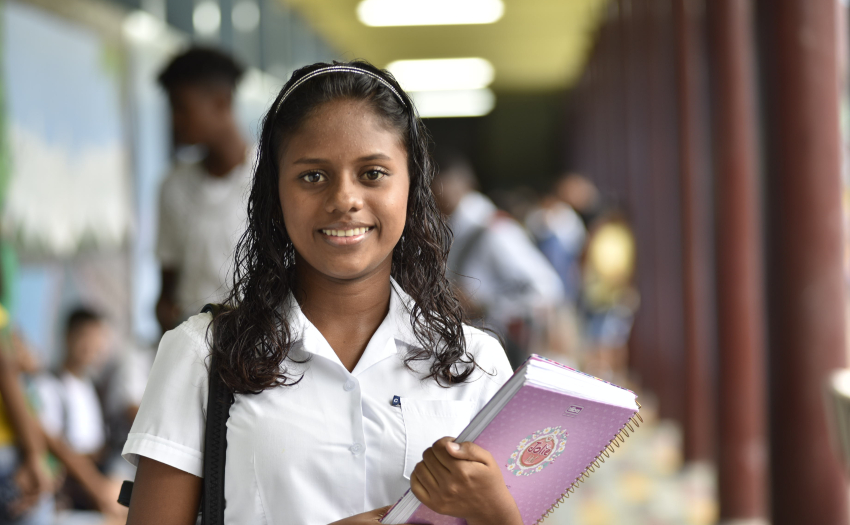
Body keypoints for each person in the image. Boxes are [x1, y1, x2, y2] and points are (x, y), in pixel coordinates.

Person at [123, 61, 521, 525]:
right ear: (275, 192)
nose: (344, 199)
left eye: (373, 173)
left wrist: (501, 515)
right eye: (313, 176)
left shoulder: (477, 363)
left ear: (411, 185)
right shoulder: (202, 354)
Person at [431, 152, 565, 366]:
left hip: (499, 358)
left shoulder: (495, 230)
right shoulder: (453, 230)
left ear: (458, 183)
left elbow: (547, 288)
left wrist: (484, 305)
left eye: (432, 184)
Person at [155, 47, 252, 333]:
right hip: (194, 342)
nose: (175, 121)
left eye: (181, 107)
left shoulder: (272, 178)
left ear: (221, 103)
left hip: (257, 343)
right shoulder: (173, 186)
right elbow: (166, 287)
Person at [34, 308, 108, 460]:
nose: (91, 346)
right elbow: (52, 442)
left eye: (96, 339)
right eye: (85, 337)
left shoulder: (91, 386)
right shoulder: (47, 384)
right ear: (68, 336)